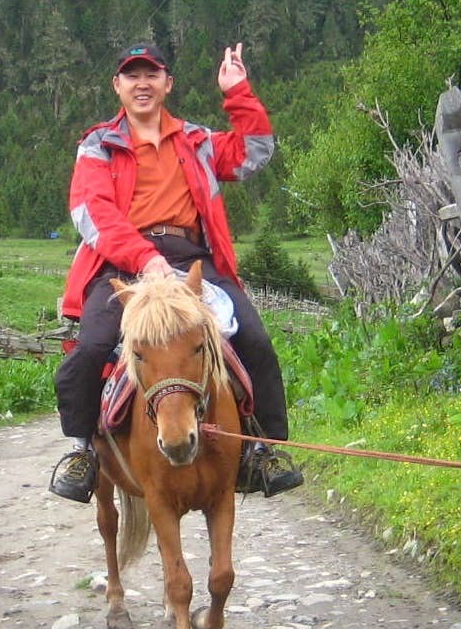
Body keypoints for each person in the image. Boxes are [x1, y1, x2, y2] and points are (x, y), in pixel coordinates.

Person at [50, 40, 303, 502]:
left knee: (255, 341)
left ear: (168, 84)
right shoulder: (98, 145)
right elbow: (93, 213)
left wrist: (238, 91)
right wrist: (145, 258)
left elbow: (255, 151)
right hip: (121, 267)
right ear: (117, 85)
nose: (142, 84)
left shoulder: (196, 141)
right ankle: (83, 450)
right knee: (90, 350)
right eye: (132, 75)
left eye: (152, 74)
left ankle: (263, 450)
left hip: (192, 261)